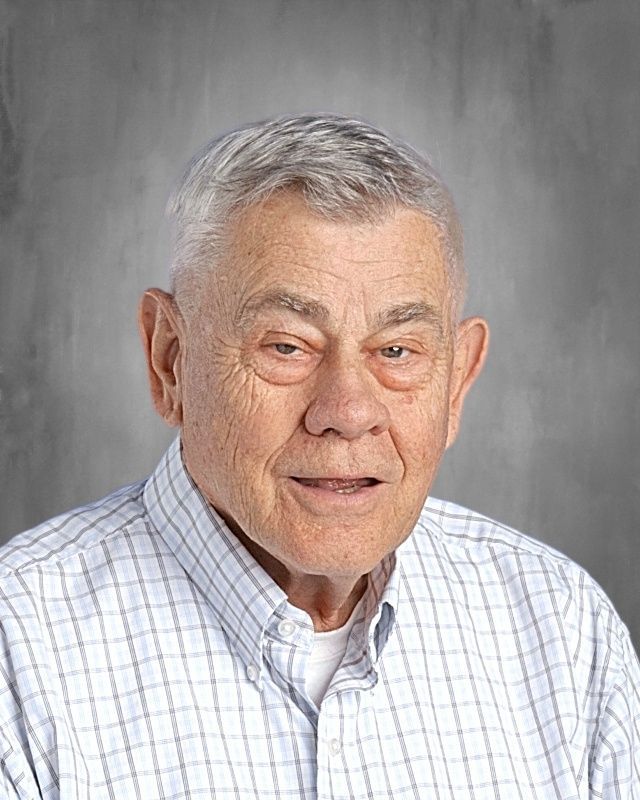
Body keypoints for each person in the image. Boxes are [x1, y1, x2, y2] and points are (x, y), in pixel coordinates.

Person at [0, 114, 637, 800]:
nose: (346, 412)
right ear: (170, 360)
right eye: (287, 346)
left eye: (396, 352)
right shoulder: (23, 648)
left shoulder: (562, 630)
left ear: (457, 383)